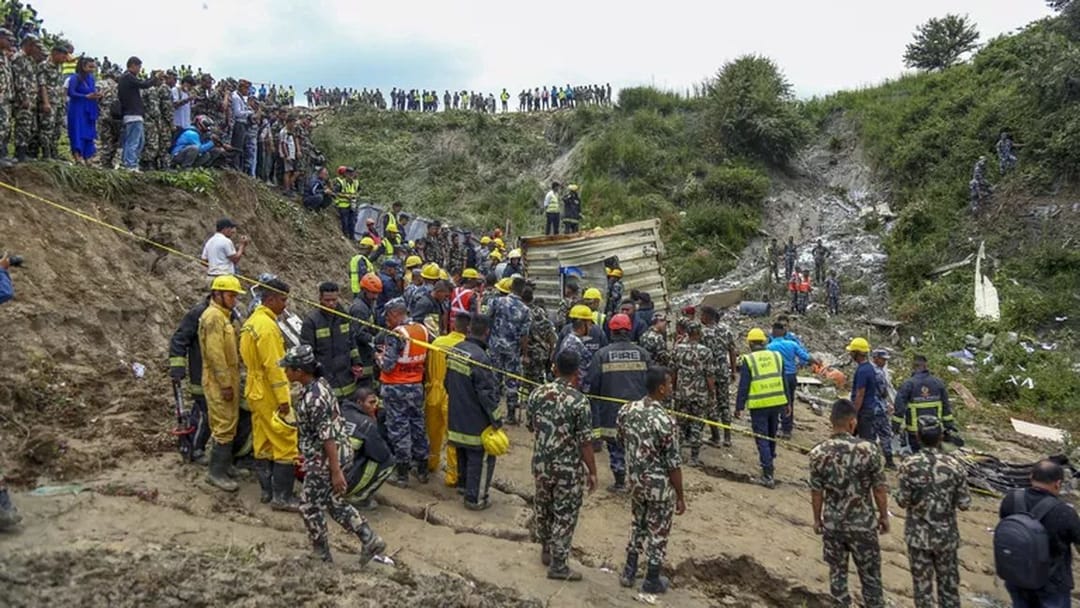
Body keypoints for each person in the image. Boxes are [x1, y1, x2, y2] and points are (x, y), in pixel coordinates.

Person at [278, 345, 387, 564]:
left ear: (299, 371)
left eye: (288, 369)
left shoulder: (314, 399)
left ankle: (321, 553)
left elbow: (326, 436)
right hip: (335, 452)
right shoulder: (320, 385)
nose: (285, 373)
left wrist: (335, 471)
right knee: (333, 501)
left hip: (327, 459)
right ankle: (369, 538)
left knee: (309, 506)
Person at [809, 398, 889, 608]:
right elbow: (879, 489)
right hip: (863, 525)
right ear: (853, 422)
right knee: (871, 581)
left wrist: (817, 520)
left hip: (834, 525)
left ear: (831, 421)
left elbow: (817, 491)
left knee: (838, 577)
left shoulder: (819, 453)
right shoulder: (869, 450)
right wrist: (883, 516)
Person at [527, 349, 598, 581]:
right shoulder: (579, 401)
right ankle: (558, 565)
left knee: (544, 508)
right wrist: (593, 471)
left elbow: (530, 425)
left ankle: (546, 550)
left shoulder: (537, 393)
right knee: (565, 515)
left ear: (554, 368)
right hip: (567, 469)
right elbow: (585, 442)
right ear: (577, 372)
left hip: (541, 464)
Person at [617, 366, 685, 594]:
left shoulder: (627, 410)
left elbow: (621, 439)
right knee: (659, 530)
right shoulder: (665, 421)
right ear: (661, 388)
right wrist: (681, 496)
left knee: (638, 524)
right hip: (659, 487)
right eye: (669, 384)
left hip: (635, 481)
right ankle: (652, 578)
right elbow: (673, 464)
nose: (671, 387)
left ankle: (629, 570)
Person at [895, 416, 971, 608]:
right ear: (940, 438)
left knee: (922, 590)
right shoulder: (955, 466)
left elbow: (902, 501)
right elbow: (964, 503)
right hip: (946, 538)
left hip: (918, 537)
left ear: (918, 437)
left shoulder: (909, 465)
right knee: (949, 589)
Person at [240, 277, 301, 511]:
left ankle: (266, 491)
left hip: (254, 389)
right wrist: (284, 401)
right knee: (285, 439)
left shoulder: (252, 322)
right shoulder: (267, 328)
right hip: (267, 390)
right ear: (271, 299)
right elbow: (275, 368)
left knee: (263, 439)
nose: (285, 305)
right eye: (283, 300)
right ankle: (282, 497)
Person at [997, 459, 1080, 608]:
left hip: (1017, 575)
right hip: (1052, 583)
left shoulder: (1011, 499)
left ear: (1031, 477)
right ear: (1058, 483)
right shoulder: (1065, 512)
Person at [586, 314, 650, 491]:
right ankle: (639, 481)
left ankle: (620, 481)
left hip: (611, 410)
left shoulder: (602, 355)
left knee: (615, 445)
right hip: (639, 410)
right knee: (638, 445)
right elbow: (651, 381)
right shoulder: (643, 354)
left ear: (612, 331)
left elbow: (593, 383)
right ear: (629, 331)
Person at [446, 315, 502, 510]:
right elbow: (486, 394)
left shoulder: (455, 350)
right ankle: (474, 499)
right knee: (481, 458)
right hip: (475, 420)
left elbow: (447, 382)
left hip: (455, 414)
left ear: (469, 329)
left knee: (462, 452)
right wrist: (496, 419)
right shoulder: (481, 358)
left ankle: (463, 487)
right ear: (487, 332)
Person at [197, 275, 246, 492]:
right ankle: (216, 473)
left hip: (230, 377)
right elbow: (215, 354)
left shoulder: (224, 316)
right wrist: (225, 384)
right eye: (231, 295)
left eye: (235, 296)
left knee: (231, 421)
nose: (234, 299)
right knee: (223, 425)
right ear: (217, 294)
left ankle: (226, 466)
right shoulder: (213, 318)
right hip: (218, 381)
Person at [377, 300, 432, 487]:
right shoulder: (422, 330)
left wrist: (378, 357)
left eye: (387, 316)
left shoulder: (396, 335)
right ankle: (423, 469)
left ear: (394, 314)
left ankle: (402, 474)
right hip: (416, 386)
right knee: (418, 426)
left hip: (396, 388)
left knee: (399, 429)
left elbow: (388, 365)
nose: (385, 320)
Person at [734, 328, 789, 488]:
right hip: (777, 401)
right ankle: (769, 463)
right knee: (771, 436)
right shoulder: (777, 356)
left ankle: (767, 474)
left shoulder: (749, 359)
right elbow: (784, 380)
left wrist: (739, 406)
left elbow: (744, 385)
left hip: (759, 405)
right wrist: (788, 403)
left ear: (750, 343)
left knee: (762, 438)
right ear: (764, 341)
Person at [169, 294, 216, 464]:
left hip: (218, 374)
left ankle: (196, 444)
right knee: (206, 412)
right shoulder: (199, 313)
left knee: (207, 412)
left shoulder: (227, 313)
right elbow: (179, 339)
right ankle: (195, 449)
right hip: (200, 372)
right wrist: (177, 366)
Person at [425, 311, 469, 487]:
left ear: (453, 325)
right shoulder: (466, 346)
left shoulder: (437, 342)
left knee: (432, 433)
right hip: (453, 395)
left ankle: (431, 463)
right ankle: (452, 475)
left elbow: (428, 368)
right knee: (453, 437)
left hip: (434, 391)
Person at [300, 282, 364, 404]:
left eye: (334, 300)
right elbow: (307, 354)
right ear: (319, 299)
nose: (331, 304)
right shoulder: (311, 322)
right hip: (326, 380)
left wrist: (357, 363)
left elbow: (352, 343)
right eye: (327, 300)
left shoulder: (343, 317)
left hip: (347, 379)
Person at [339, 388, 395, 508]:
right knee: (389, 462)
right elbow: (381, 455)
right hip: (341, 480)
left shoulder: (339, 411)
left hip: (323, 476)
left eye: (376, 402)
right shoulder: (366, 424)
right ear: (359, 403)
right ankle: (358, 498)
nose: (375, 406)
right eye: (371, 402)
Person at [487, 275, 531, 424]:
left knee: (494, 380)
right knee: (512, 382)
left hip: (495, 347)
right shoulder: (525, 310)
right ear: (522, 290)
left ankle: (493, 413)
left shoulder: (497, 302)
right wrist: (525, 355)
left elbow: (488, 320)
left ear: (510, 288)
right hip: (513, 350)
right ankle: (511, 415)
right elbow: (524, 336)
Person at [671, 320, 715, 468]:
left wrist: (674, 388)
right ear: (698, 333)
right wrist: (712, 393)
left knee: (680, 423)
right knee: (697, 424)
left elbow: (673, 371)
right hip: (699, 394)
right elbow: (709, 375)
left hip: (682, 393)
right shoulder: (706, 351)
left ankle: (677, 454)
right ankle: (694, 457)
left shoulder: (678, 349)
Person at [892, 355, 956, 454]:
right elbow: (946, 407)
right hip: (935, 430)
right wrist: (949, 425)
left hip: (915, 430)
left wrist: (895, 426)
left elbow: (899, 407)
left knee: (917, 456)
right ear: (926, 366)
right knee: (934, 455)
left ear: (913, 366)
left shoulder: (908, 384)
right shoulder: (938, 383)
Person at [766, 323, 811, 440]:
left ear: (774, 332)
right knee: (789, 402)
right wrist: (816, 361)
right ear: (782, 332)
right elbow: (805, 357)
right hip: (791, 377)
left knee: (776, 401)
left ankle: (775, 427)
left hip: (777, 377)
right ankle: (787, 430)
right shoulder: (792, 344)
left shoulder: (769, 347)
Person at [700, 306, 737, 447]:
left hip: (708, 374)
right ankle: (727, 437)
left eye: (702, 315)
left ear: (708, 316)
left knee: (711, 404)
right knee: (724, 404)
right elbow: (732, 351)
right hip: (723, 372)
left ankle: (715, 436)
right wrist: (733, 370)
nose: (700, 317)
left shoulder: (703, 333)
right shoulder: (726, 331)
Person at [117, 56, 158, 170]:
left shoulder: (126, 78)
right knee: (133, 142)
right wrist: (155, 78)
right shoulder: (128, 77)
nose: (140, 70)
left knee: (138, 141)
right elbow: (144, 84)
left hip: (133, 114)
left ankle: (128, 162)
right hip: (132, 115)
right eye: (139, 67)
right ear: (133, 65)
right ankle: (130, 165)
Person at [65, 56, 100, 164]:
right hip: (77, 108)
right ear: (83, 66)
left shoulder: (91, 78)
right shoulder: (75, 78)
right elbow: (71, 92)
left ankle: (87, 157)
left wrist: (97, 95)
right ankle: (77, 156)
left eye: (93, 67)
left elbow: (92, 90)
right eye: (90, 67)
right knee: (77, 131)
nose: (92, 70)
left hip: (89, 108)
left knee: (88, 132)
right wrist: (85, 96)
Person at [522, 286, 557, 386]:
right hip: (542, 354)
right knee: (539, 381)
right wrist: (551, 352)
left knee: (527, 384)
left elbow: (523, 335)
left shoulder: (522, 312)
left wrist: (524, 355)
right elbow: (551, 333)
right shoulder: (541, 312)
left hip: (529, 354)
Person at [846, 337, 880, 442]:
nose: (850, 354)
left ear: (857, 353)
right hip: (868, 409)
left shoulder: (863, 371)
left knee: (865, 440)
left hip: (863, 411)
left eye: (852, 352)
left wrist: (854, 414)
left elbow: (860, 394)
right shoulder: (868, 368)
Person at [870, 349, 895, 469]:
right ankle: (888, 461)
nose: (884, 362)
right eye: (882, 359)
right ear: (875, 358)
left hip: (873, 407)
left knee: (872, 436)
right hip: (878, 408)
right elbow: (883, 392)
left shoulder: (868, 369)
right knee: (884, 434)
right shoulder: (878, 373)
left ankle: (874, 461)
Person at [332, 166, 359, 240]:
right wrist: (345, 196)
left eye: (352, 174)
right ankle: (345, 236)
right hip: (343, 205)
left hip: (352, 205)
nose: (350, 175)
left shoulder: (355, 183)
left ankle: (352, 237)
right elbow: (335, 193)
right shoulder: (341, 183)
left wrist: (356, 196)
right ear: (346, 174)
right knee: (345, 222)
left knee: (352, 222)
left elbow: (358, 191)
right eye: (349, 173)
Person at [279, 115, 300, 193]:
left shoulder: (291, 131)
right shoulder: (283, 132)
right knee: (287, 172)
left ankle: (290, 186)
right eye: (293, 123)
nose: (294, 125)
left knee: (293, 171)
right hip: (287, 154)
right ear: (289, 122)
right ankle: (287, 189)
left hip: (292, 154)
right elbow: (283, 144)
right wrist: (286, 155)